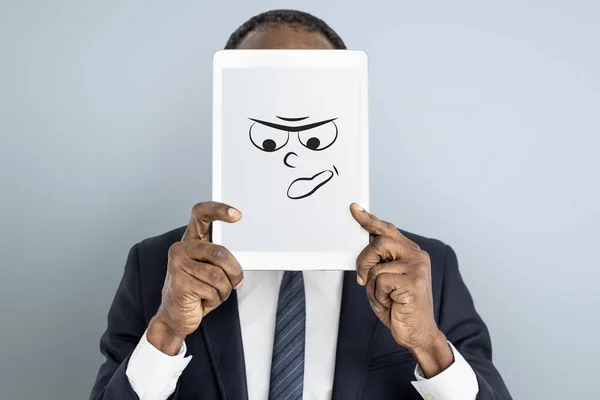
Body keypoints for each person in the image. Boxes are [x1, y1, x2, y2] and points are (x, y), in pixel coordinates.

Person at [90, 9, 512, 400]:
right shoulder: (157, 265)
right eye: (263, 87)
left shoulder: (426, 267)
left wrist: (428, 345)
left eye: (311, 89)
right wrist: (166, 331)